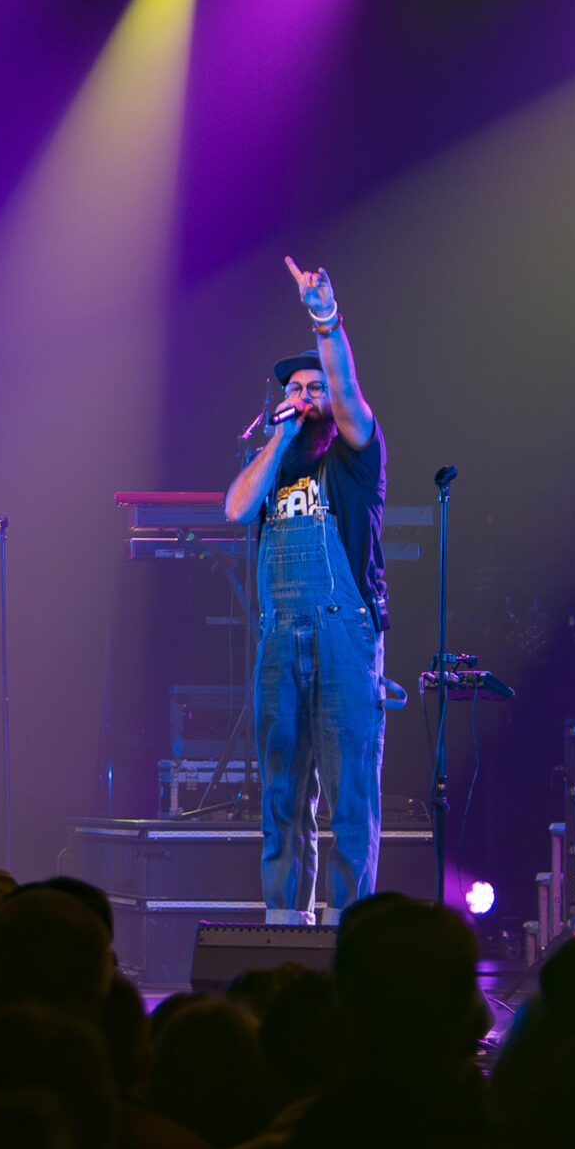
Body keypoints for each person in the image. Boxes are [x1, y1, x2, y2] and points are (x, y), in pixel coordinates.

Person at [222, 257, 388, 924]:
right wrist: (278, 436)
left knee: (348, 795)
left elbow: (346, 389)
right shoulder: (275, 461)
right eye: (294, 387)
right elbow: (236, 507)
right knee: (283, 794)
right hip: (279, 636)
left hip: (343, 630)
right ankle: (285, 928)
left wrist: (325, 319)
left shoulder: (355, 452)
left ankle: (352, 933)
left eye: (314, 387)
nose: (306, 395)